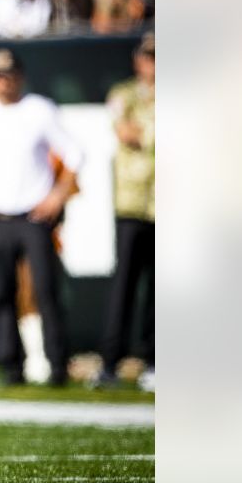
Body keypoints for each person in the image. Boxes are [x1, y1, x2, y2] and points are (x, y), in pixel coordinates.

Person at [0, 48, 83, 386]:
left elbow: (75, 154)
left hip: (35, 214)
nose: (2, 81)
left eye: (8, 73)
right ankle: (13, 364)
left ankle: (56, 364)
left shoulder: (39, 109)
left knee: (46, 290)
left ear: (20, 75)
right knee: (2, 292)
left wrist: (56, 196)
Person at [96, 32, 154, 389]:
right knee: (125, 284)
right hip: (132, 201)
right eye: (149, 56)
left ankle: (153, 359)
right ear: (138, 60)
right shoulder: (124, 93)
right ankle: (110, 361)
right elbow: (125, 132)